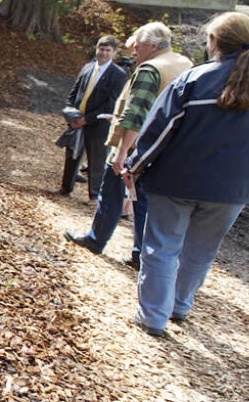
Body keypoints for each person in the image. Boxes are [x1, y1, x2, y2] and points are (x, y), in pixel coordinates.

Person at [125, 12, 249, 336]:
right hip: (233, 189)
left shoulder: (194, 80)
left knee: (162, 247)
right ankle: (180, 306)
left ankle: (153, 316)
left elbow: (159, 131)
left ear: (213, 42)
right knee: (200, 251)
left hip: (176, 181)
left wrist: (134, 167)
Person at [64, 23, 192, 266]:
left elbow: (136, 113)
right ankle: (141, 254)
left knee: (113, 193)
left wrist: (122, 152)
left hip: (136, 149)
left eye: (139, 47)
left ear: (153, 46)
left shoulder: (150, 69)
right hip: (165, 147)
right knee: (143, 200)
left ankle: (96, 240)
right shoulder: (183, 63)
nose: (134, 53)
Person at [59, 36, 127, 199]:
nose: (103, 53)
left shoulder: (119, 75)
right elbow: (74, 93)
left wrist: (86, 119)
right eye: (101, 49)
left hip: (98, 123)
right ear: (96, 49)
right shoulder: (88, 67)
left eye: (107, 50)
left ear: (114, 53)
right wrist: (71, 114)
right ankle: (65, 188)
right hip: (77, 120)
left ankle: (94, 195)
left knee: (96, 159)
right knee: (72, 155)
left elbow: (110, 104)